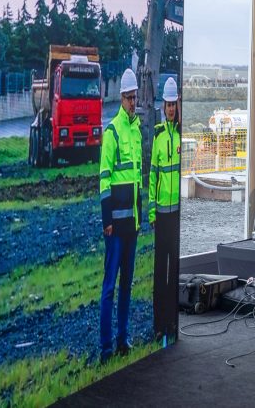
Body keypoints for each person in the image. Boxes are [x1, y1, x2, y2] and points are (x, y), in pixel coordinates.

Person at [99, 68, 143, 363]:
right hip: (116, 227)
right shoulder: (112, 132)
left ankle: (123, 340)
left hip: (132, 226)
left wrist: (139, 220)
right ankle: (105, 349)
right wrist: (107, 221)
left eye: (134, 97)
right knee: (109, 289)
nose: (132, 102)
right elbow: (104, 180)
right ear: (121, 98)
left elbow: (137, 179)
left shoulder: (136, 131)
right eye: (128, 98)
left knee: (126, 285)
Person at [149, 77, 181, 345]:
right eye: (168, 104)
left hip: (177, 215)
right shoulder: (158, 137)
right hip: (161, 215)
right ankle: (159, 324)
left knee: (174, 271)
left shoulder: (182, 135)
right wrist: (151, 212)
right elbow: (152, 177)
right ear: (163, 106)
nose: (171, 108)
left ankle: (172, 321)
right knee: (160, 272)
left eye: (174, 104)